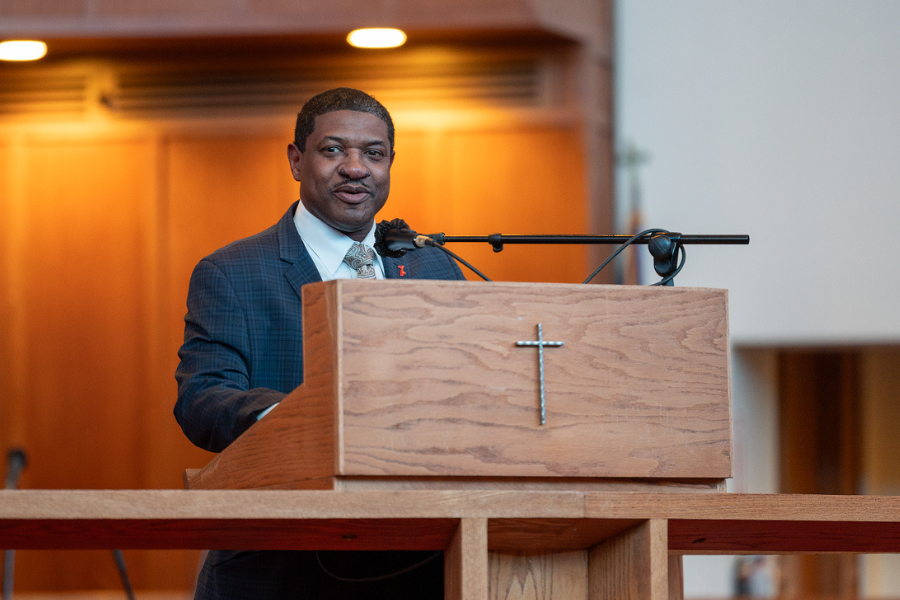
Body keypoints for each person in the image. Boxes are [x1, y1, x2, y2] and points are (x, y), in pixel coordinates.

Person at [174, 88, 465, 600]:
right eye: (334, 150)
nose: (356, 167)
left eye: (373, 154)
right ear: (296, 159)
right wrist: (303, 420)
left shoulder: (430, 265)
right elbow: (202, 400)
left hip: (418, 563)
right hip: (281, 567)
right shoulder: (233, 272)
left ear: (390, 164)